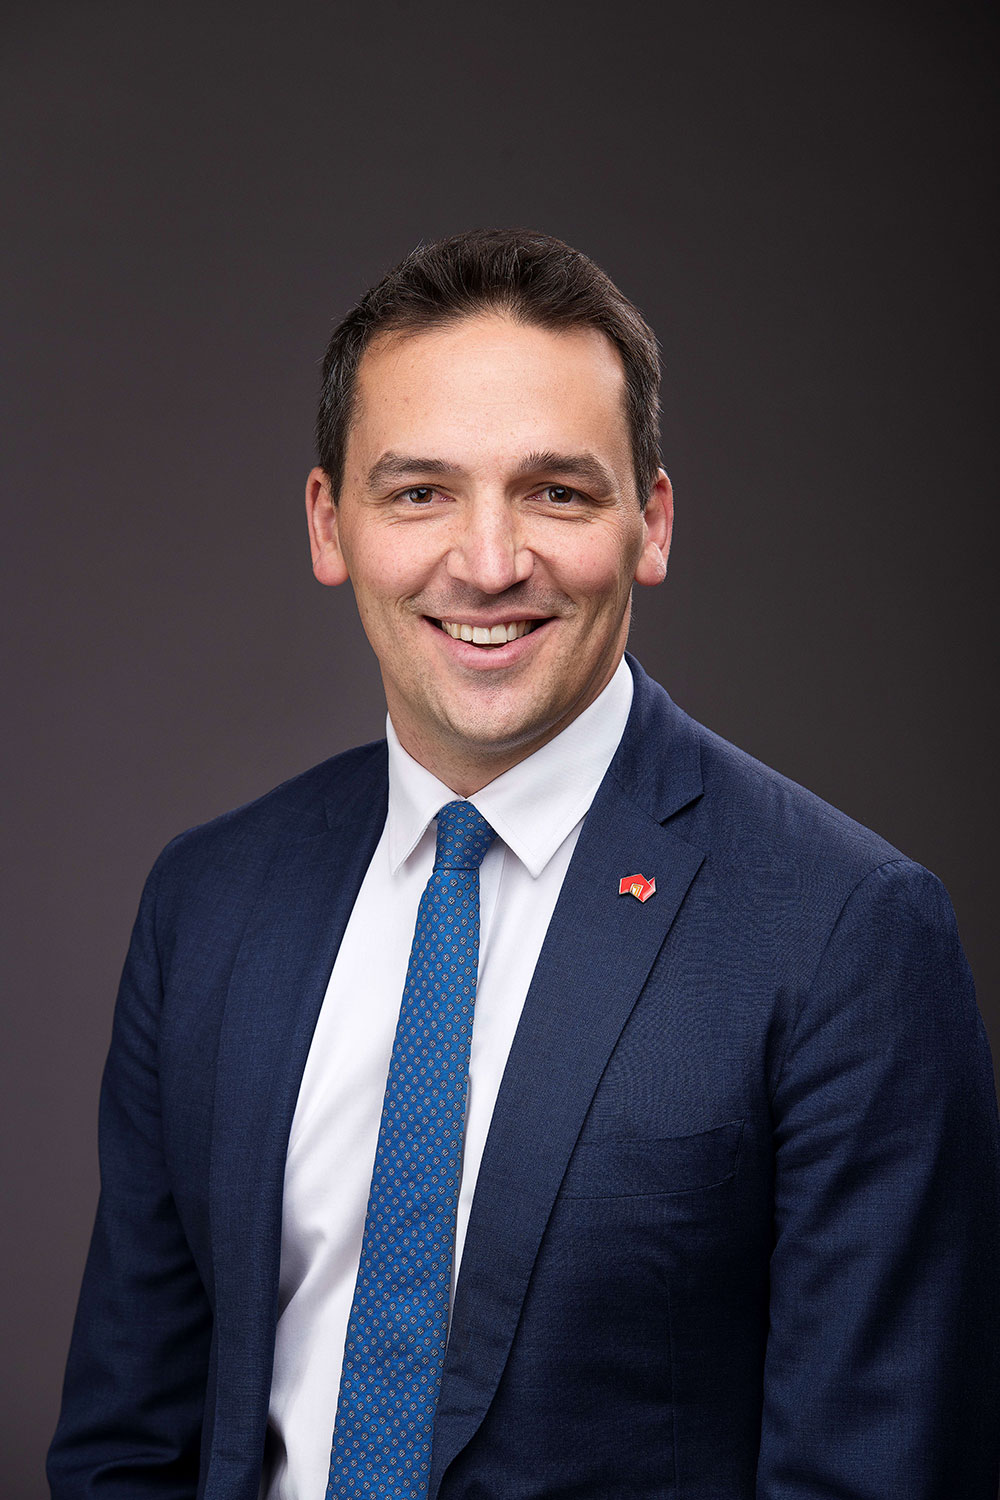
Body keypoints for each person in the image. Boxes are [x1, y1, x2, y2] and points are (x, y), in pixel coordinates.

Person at [48, 229, 1000, 1500]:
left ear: (650, 523)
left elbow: (874, 1474)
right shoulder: (210, 901)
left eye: (556, 490)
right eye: (418, 491)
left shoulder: (845, 932)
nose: (489, 564)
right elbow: (127, 1438)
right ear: (330, 525)